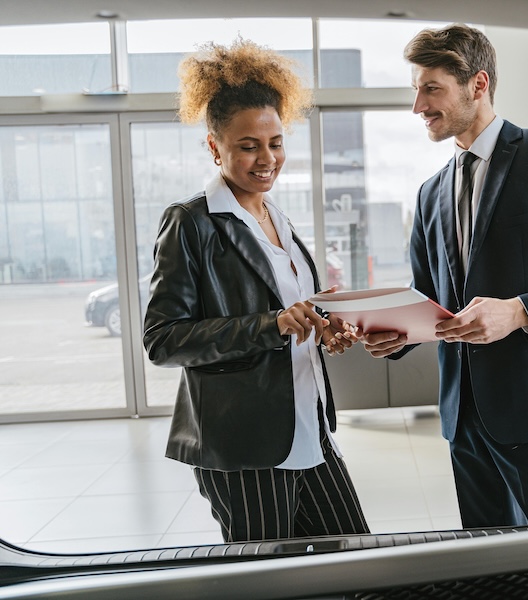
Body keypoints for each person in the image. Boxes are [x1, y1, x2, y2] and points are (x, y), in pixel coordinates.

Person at [362, 24, 528, 528]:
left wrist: (519, 311)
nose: (418, 106)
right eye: (416, 90)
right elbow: (428, 296)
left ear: (478, 84)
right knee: (485, 556)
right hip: (461, 413)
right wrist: (385, 332)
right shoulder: (430, 193)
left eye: (431, 88)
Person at [143, 38, 368, 542]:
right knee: (268, 579)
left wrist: (324, 328)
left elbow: (292, 311)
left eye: (275, 143)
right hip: (245, 443)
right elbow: (163, 339)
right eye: (248, 146)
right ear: (214, 145)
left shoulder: (277, 218)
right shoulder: (191, 223)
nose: (267, 158)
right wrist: (272, 326)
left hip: (309, 429)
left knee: (356, 557)